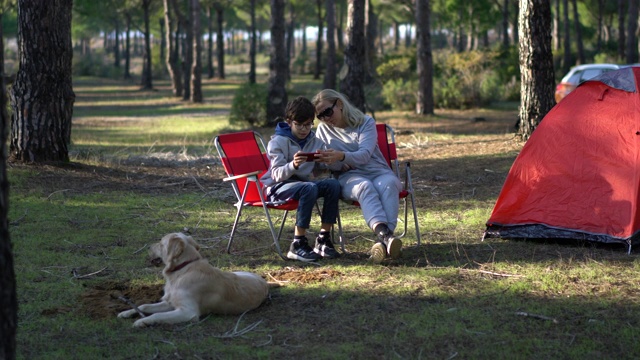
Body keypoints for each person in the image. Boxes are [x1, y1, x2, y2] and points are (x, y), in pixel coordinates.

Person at [311, 89, 402, 263]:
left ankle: (382, 242)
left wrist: (342, 156)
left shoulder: (365, 122)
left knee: (389, 184)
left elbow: (365, 155)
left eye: (327, 112)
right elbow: (331, 164)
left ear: (339, 104)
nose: (325, 118)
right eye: (320, 116)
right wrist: (336, 160)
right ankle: (387, 238)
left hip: (378, 170)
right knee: (364, 186)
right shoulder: (323, 130)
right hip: (348, 176)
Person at [261, 96, 341, 262]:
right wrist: (293, 165)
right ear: (289, 122)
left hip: (303, 184)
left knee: (333, 185)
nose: (304, 129)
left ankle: (323, 239)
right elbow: (276, 174)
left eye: (308, 124)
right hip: (277, 188)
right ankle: (298, 243)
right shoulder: (277, 142)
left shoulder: (315, 140)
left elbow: (319, 172)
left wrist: (326, 162)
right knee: (309, 188)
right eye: (300, 125)